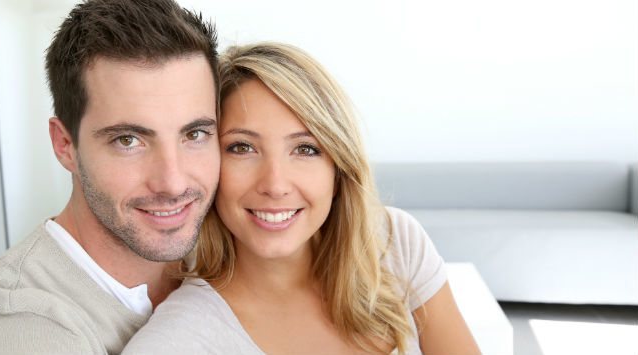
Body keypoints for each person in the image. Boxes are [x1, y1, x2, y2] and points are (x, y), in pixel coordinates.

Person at [123, 43, 479, 354]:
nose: (275, 184)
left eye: (306, 149)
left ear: (338, 169)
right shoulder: (175, 342)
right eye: (242, 148)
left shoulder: (395, 243)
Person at [0, 0, 220, 353]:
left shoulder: (217, 257)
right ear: (65, 145)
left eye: (195, 134)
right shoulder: (12, 328)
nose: (172, 183)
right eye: (128, 140)